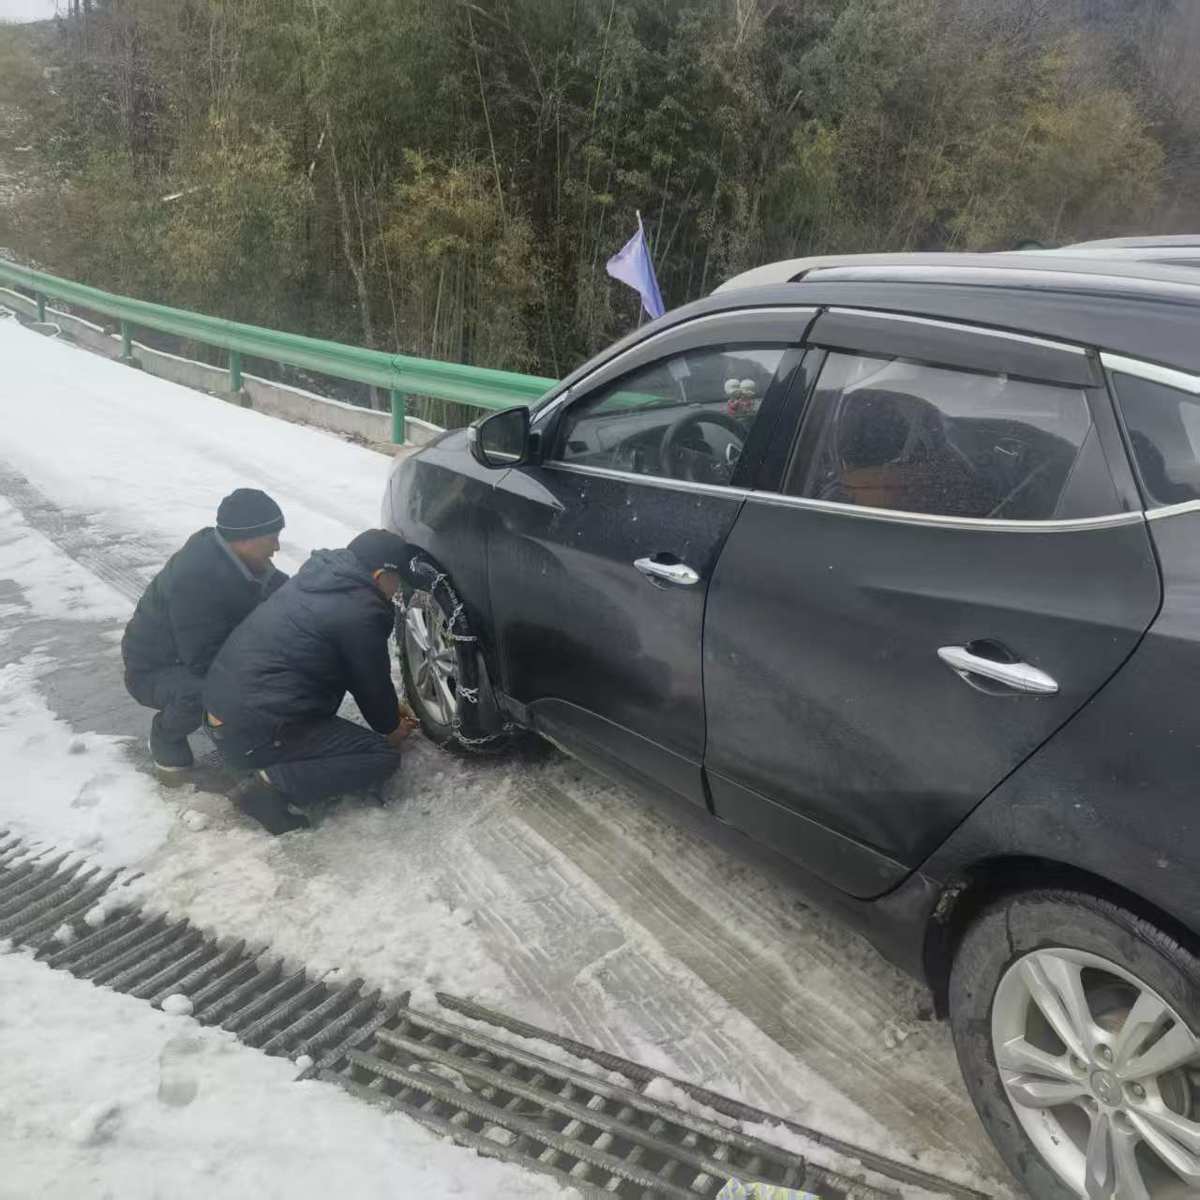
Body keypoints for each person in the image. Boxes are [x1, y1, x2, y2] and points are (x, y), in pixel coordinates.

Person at [202, 529, 418, 835]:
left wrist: (388, 708)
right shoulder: (360, 612)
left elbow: (353, 670)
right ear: (380, 575)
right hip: (253, 732)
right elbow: (373, 693)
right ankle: (267, 787)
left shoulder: (318, 580)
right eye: (397, 583)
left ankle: (261, 760)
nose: (396, 592)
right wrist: (391, 724)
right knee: (380, 755)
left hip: (225, 716)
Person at [122, 488, 287, 774]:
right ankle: (165, 733)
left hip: (195, 655)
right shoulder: (195, 579)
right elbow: (203, 660)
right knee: (206, 692)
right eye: (271, 538)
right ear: (245, 539)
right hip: (157, 670)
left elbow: (284, 592)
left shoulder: (240, 558)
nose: (277, 547)